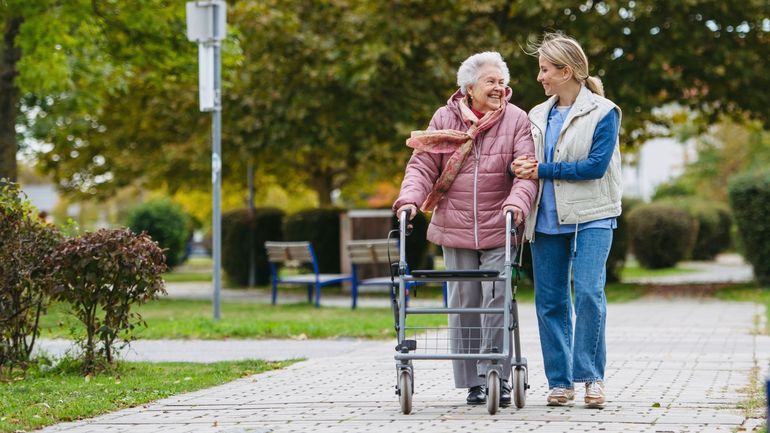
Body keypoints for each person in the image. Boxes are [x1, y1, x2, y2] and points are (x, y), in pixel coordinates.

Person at [393, 51, 538, 406]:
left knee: (497, 298)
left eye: (502, 82)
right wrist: (409, 200)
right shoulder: (445, 118)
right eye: (491, 82)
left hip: (499, 224)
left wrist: (517, 204)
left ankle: (496, 375)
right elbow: (423, 164)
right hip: (454, 224)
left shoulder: (516, 120)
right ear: (469, 88)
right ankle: (474, 380)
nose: (499, 88)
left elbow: (525, 173)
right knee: (465, 302)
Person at [512, 32, 622, 409]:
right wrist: (520, 166)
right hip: (547, 217)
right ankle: (560, 382)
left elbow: (594, 167)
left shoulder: (605, 112)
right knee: (550, 302)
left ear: (567, 71)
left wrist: (540, 169)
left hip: (593, 214)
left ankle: (592, 377)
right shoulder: (536, 115)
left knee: (589, 294)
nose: (540, 77)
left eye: (545, 69)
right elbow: (526, 159)